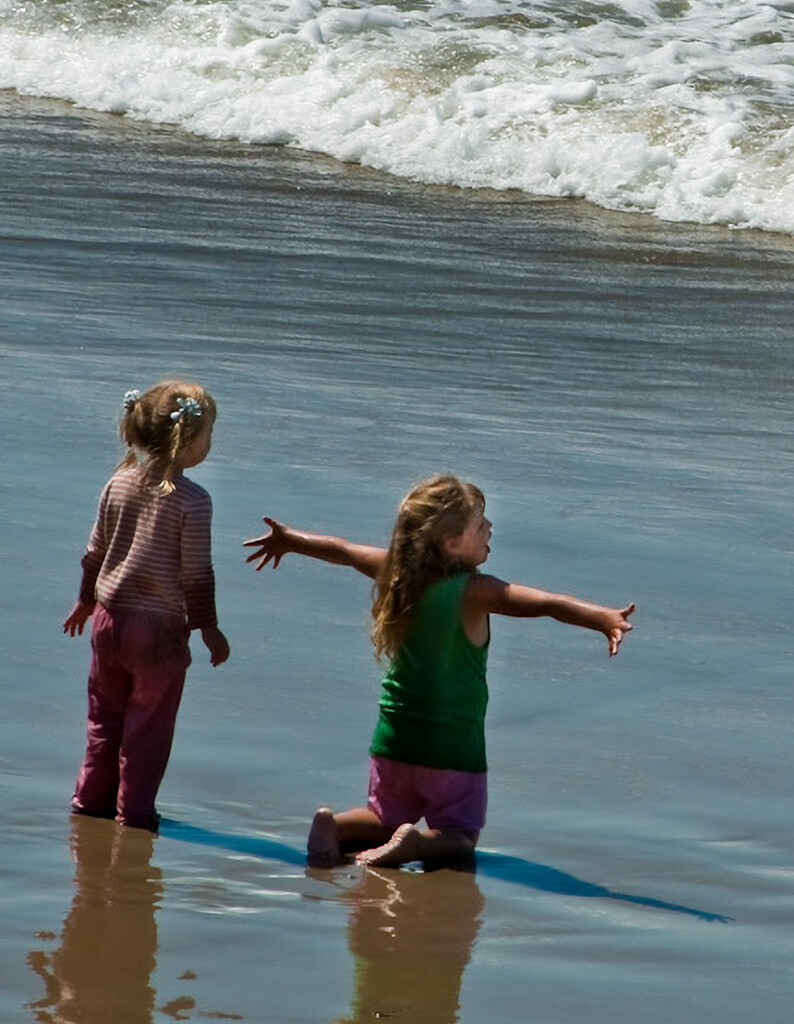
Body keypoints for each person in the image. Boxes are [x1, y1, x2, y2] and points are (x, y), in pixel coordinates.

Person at [244, 475, 633, 867]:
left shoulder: (395, 572)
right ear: (450, 543)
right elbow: (546, 603)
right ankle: (418, 845)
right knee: (461, 837)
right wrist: (601, 618)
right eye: (480, 524)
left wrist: (290, 539)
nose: (490, 529)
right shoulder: (475, 590)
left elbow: (343, 550)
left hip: (395, 737)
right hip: (453, 745)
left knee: (382, 817)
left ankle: (335, 826)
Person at [64, 380, 230, 831]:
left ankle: (89, 801)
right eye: (208, 435)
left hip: (108, 619)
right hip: (156, 631)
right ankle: (134, 813)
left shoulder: (117, 483)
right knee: (148, 729)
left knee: (105, 718)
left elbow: (94, 553)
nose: (210, 444)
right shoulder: (193, 501)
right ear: (188, 440)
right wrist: (208, 627)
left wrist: (83, 601)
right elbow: (196, 573)